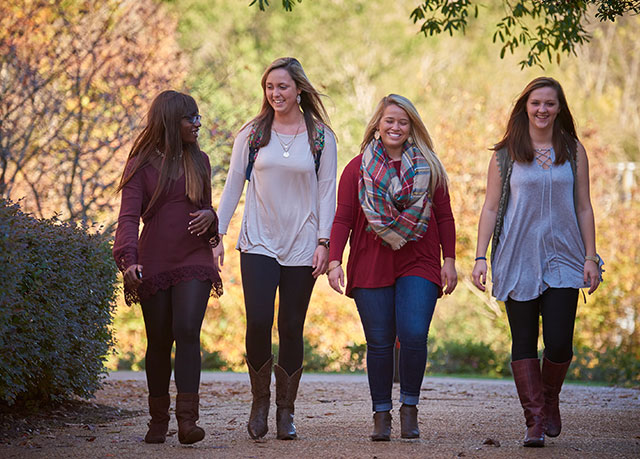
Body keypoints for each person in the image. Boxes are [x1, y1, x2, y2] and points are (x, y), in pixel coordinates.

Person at [471, 77, 602, 447]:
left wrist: (590, 256)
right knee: (524, 340)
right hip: (517, 255)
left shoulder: (573, 150)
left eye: (549, 104)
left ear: (559, 109)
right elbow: (491, 206)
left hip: (566, 255)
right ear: (524, 107)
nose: (542, 110)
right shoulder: (505, 153)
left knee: (560, 343)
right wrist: (480, 256)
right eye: (536, 103)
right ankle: (534, 421)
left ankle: (549, 396)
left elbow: (583, 206)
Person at [213, 57, 337, 440]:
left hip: (303, 243)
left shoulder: (320, 137)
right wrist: (216, 234)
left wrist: (324, 243)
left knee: (292, 326)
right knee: (259, 320)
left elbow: (327, 191)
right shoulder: (252, 134)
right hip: (258, 242)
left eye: (282, 87)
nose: (275, 94)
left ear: (298, 89)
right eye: (269, 87)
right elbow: (234, 184)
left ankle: (286, 410)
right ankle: (260, 401)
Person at [327, 94, 457, 441]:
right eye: (389, 121)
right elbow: (342, 217)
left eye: (403, 122)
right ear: (378, 125)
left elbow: (444, 216)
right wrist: (334, 260)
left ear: (412, 126)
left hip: (420, 257)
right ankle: (381, 414)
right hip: (371, 259)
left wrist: (450, 259)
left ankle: (409, 408)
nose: (395, 127)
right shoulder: (357, 167)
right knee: (380, 341)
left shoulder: (429, 165)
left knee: (413, 333)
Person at [113, 90, 223, 445]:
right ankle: (158, 421)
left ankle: (188, 422)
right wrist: (129, 260)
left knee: (188, 330)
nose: (197, 124)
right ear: (169, 122)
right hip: (155, 260)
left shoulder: (200, 160)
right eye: (190, 118)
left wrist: (212, 217)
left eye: (198, 117)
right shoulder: (141, 165)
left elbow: (206, 208)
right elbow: (128, 218)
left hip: (194, 258)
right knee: (159, 340)